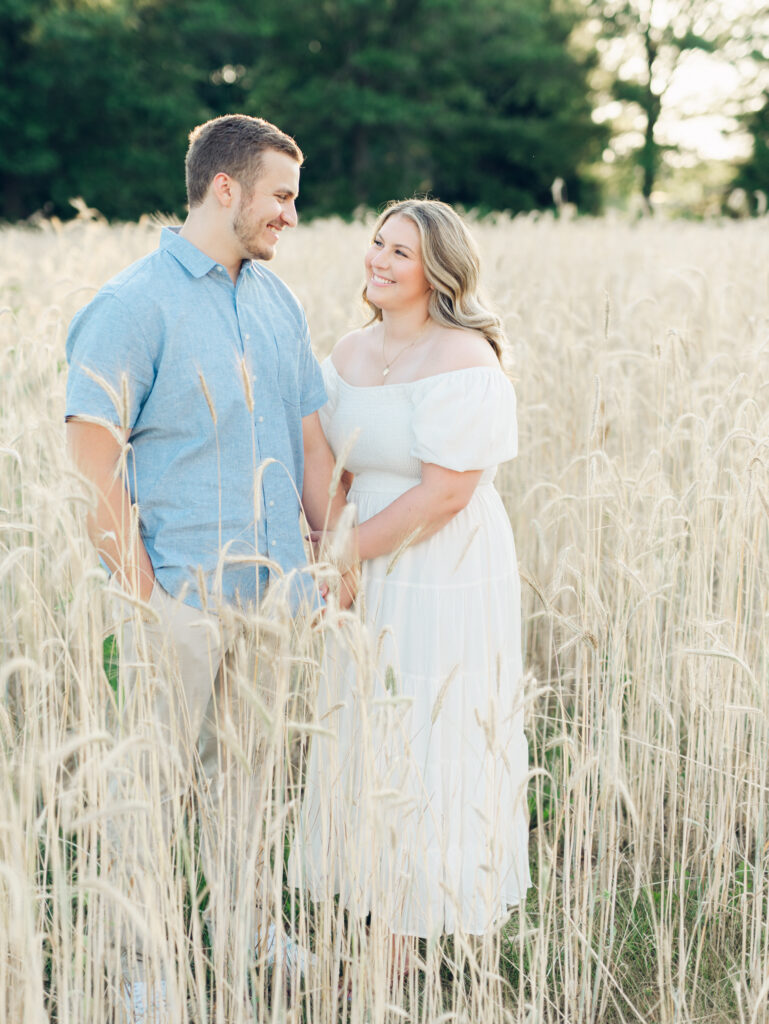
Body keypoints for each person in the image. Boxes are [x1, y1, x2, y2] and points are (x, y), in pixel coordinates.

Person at [65, 114, 347, 1021]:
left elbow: (308, 441)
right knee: (151, 789)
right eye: (280, 197)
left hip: (273, 594)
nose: (290, 217)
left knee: (254, 778)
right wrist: (144, 591)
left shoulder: (276, 301)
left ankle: (249, 925)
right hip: (177, 593)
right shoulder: (132, 304)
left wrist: (330, 556)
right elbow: (92, 452)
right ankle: (141, 966)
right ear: (224, 188)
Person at [289, 198, 531, 978]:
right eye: (376, 243)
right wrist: (329, 540)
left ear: (439, 271)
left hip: (442, 563)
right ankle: (375, 919)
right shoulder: (352, 349)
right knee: (368, 724)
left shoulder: (465, 359)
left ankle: (428, 924)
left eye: (401, 251)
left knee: (437, 727)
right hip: (359, 550)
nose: (378, 260)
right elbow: (318, 444)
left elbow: (445, 495)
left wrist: (342, 552)